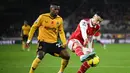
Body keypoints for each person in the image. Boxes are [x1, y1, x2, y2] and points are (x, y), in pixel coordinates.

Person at [26, 2, 70, 73]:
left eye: (58, 10)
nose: (57, 11)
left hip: (54, 43)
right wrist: (29, 40)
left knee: (67, 56)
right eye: (55, 9)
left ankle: (61, 71)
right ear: (51, 9)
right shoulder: (42, 17)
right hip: (43, 42)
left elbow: (61, 32)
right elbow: (33, 27)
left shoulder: (60, 19)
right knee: (40, 56)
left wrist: (64, 42)